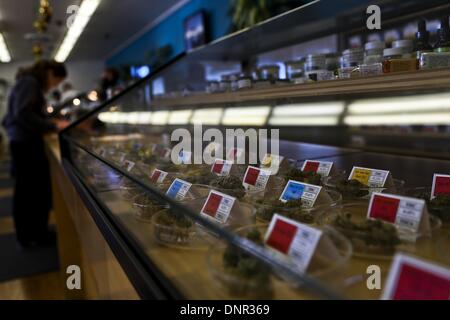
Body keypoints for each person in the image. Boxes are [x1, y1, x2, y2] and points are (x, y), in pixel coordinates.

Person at [2, 60, 70, 249]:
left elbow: (26, 113)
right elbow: (23, 114)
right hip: (25, 144)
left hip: (23, 142)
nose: (54, 85)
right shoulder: (30, 83)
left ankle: (34, 232)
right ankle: (31, 235)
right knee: (31, 192)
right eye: (56, 80)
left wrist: (48, 121)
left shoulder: (27, 82)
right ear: (49, 72)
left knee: (30, 191)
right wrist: (53, 125)